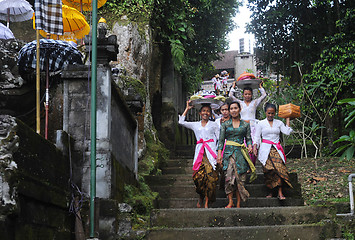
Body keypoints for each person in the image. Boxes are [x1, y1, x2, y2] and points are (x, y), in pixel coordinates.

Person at [178, 100, 220, 208]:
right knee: (198, 178)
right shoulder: (195, 125)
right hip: (200, 154)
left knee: (210, 178)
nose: (206, 113)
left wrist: (219, 154)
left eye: (208, 111)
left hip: (211, 153)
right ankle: (201, 196)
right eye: (203, 111)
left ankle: (206, 201)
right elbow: (181, 122)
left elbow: (219, 139)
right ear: (200, 113)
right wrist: (187, 108)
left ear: (210, 113)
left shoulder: (214, 125)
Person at [216, 102, 256, 208]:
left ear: (239, 109)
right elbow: (220, 140)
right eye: (231, 108)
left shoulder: (245, 124)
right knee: (228, 177)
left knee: (240, 178)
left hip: (241, 153)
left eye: (235, 108)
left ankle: (238, 203)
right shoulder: (225, 124)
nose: (233, 110)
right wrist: (219, 155)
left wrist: (250, 146)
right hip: (228, 153)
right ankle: (230, 202)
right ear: (229, 111)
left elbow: (248, 138)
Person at [253, 103, 293, 200]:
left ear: (275, 113)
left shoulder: (278, 123)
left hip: (276, 149)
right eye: (269, 113)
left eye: (272, 113)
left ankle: (280, 192)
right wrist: (255, 147)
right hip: (265, 149)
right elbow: (257, 137)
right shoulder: (261, 123)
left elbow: (287, 131)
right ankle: (270, 191)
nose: (270, 115)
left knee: (279, 168)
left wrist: (288, 119)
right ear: (265, 112)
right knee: (269, 170)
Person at [229, 82, 267, 164]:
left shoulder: (255, 102)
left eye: (249, 94)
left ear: (252, 95)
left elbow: (264, 95)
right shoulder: (240, 103)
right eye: (245, 94)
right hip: (242, 127)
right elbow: (230, 96)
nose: (247, 96)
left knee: (254, 146)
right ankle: (245, 165)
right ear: (243, 95)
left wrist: (260, 86)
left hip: (253, 127)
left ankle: (252, 164)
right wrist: (233, 87)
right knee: (244, 146)